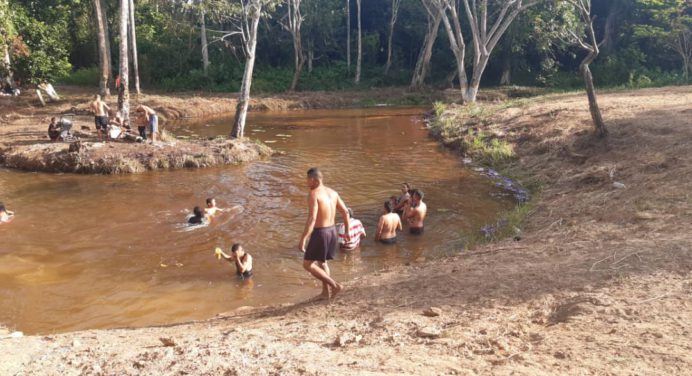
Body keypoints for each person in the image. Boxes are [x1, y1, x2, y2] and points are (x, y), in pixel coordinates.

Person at [298, 167, 350, 299]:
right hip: (332, 231)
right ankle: (325, 293)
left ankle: (335, 286)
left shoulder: (314, 194)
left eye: (307, 180)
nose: (306, 183)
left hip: (321, 232)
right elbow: (345, 212)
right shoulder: (333, 193)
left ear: (313, 180)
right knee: (323, 262)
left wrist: (303, 238)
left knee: (307, 264)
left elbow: (312, 218)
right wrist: (347, 231)